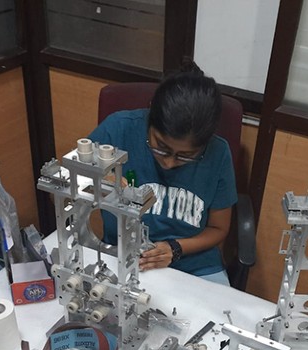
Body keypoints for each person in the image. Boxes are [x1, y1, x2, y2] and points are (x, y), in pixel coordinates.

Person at [88, 63, 237, 285]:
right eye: (161, 147)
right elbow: (71, 185)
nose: (168, 163)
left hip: (194, 265)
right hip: (122, 257)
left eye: (186, 156)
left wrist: (175, 249)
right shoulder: (117, 130)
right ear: (150, 118)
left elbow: (219, 228)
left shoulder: (218, 153)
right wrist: (104, 184)